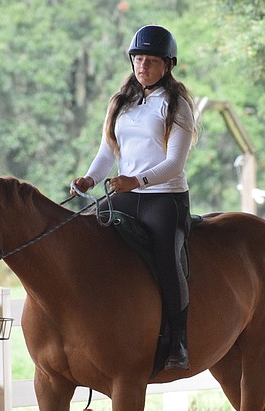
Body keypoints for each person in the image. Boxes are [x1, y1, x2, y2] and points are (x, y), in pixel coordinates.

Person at [71, 24, 198, 372]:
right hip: (125, 193)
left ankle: (178, 340)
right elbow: (107, 152)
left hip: (163, 198)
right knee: (85, 237)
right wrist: (90, 178)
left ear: (167, 65)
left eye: (152, 61)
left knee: (166, 259)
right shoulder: (121, 102)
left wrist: (136, 181)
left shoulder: (177, 105)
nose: (143, 66)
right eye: (138, 59)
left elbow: (174, 164)